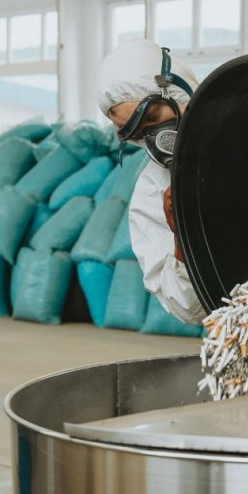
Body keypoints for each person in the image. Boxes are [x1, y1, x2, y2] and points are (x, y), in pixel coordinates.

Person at [97, 38, 205, 325]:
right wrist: (183, 235)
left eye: (155, 116)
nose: (157, 138)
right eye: (137, 132)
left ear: (179, 89)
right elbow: (189, 310)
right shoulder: (153, 192)